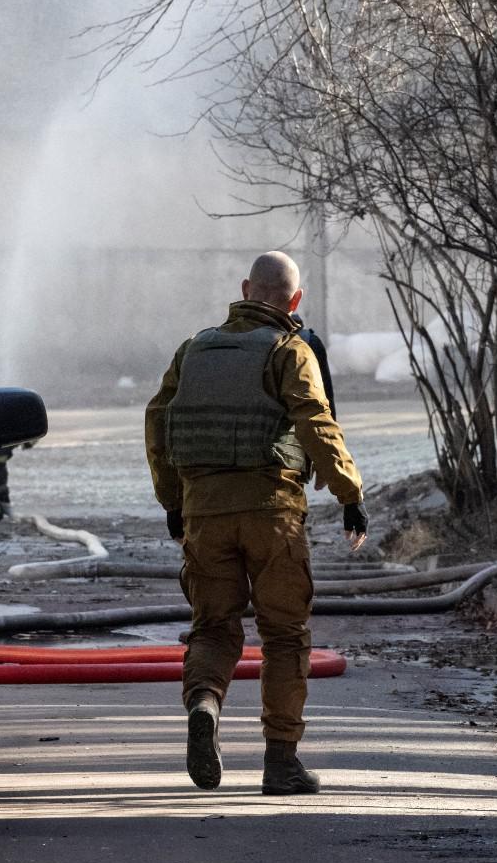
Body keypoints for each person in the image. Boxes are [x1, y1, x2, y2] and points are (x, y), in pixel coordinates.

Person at [145, 250, 368, 796]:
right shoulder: (290, 350)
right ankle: (281, 762)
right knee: (285, 636)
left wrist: (173, 501)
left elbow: (158, 424)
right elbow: (316, 422)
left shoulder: (191, 351)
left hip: (204, 514)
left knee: (214, 628)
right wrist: (350, 495)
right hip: (272, 514)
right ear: (294, 301)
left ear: (246, 289)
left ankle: (204, 704)